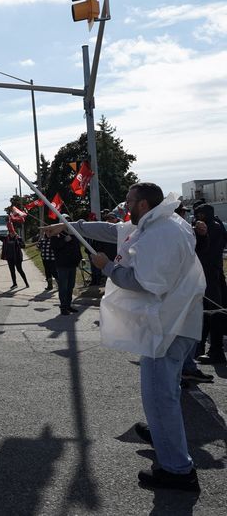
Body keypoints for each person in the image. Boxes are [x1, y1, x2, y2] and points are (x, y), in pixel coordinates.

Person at [42, 183, 206, 491]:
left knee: (160, 397)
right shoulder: (161, 222)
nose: (124, 204)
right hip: (175, 321)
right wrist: (65, 225)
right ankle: (163, 438)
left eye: (129, 200)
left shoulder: (161, 234)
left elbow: (144, 282)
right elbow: (111, 229)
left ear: (142, 204)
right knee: (164, 393)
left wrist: (108, 268)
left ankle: (178, 470)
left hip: (170, 326)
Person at [192, 203, 226, 364]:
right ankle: (201, 348)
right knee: (206, 312)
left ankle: (216, 351)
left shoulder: (210, 228)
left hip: (209, 273)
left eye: (198, 215)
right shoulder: (218, 226)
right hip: (213, 272)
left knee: (213, 312)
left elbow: (202, 250)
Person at [50, 215, 82, 315]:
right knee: (63, 287)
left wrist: (79, 259)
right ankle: (63, 307)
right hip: (62, 264)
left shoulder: (73, 233)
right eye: (64, 221)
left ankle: (68, 305)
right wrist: (64, 240)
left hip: (72, 263)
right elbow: (54, 247)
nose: (67, 222)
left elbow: (77, 248)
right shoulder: (56, 234)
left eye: (68, 220)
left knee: (70, 286)